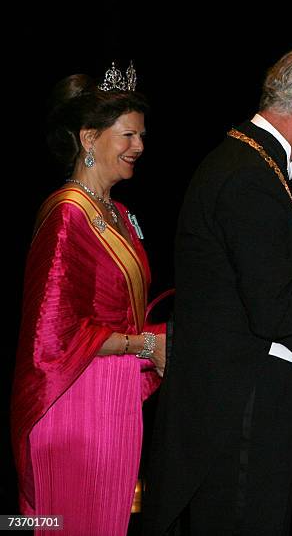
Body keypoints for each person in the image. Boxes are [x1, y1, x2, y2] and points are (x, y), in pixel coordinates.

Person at [143, 41, 292, 535]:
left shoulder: (250, 164)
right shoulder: (248, 174)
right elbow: (272, 315)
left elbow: (250, 286)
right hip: (240, 413)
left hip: (237, 404)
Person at [11, 62, 167, 536]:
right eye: (127, 135)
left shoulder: (115, 212)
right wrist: (143, 346)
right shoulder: (67, 215)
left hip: (113, 395)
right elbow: (52, 332)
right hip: (75, 400)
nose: (139, 146)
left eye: (141, 135)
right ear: (88, 138)